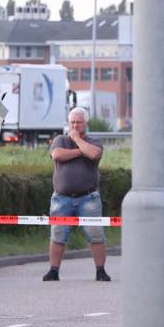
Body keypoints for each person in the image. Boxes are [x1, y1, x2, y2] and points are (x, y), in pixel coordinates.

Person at [43, 107, 109, 282]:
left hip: (88, 197)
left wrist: (78, 140)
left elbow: (94, 154)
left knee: (95, 234)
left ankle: (100, 270)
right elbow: (57, 155)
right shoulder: (60, 140)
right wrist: (81, 151)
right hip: (61, 197)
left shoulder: (94, 141)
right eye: (72, 122)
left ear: (86, 123)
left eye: (79, 122)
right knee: (57, 234)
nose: (75, 125)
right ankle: (53, 271)